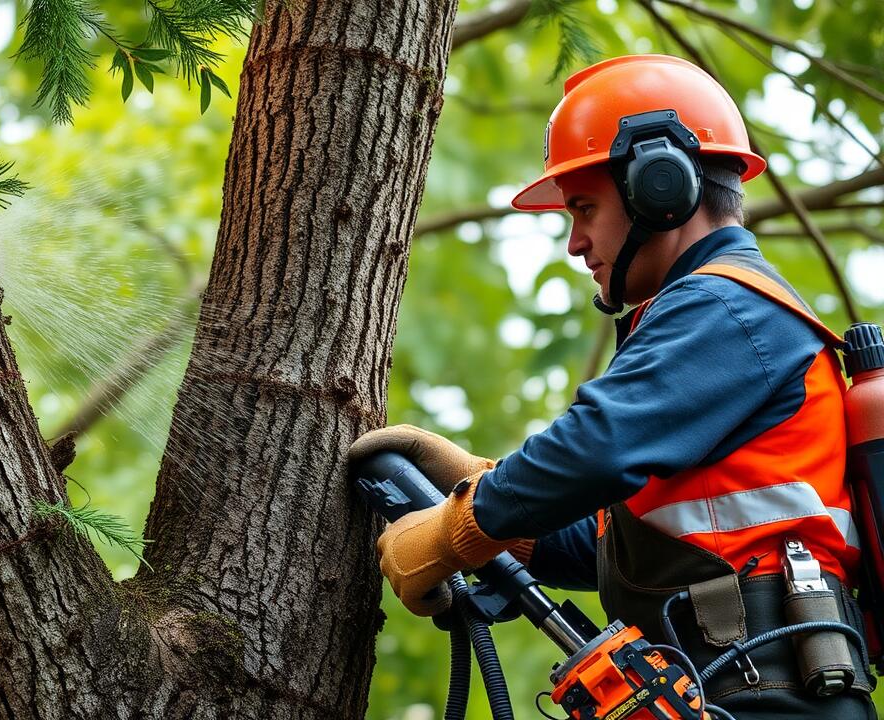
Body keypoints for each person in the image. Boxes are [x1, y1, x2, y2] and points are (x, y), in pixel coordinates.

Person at [349, 54, 877, 718]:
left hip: (768, 699)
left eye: (584, 208)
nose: (575, 243)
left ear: (660, 187)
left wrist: (458, 529)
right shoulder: (714, 317)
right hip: (736, 690)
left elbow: (597, 446)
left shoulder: (731, 309)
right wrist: (477, 490)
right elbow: (614, 548)